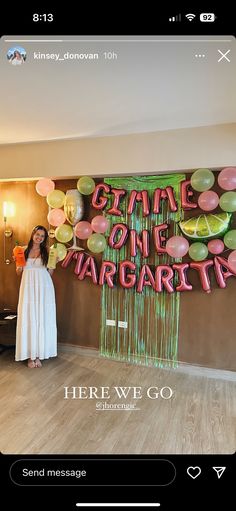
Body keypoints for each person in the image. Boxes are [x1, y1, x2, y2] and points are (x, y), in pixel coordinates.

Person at [15, 226, 57, 368]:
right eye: (37, 234)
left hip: (44, 288)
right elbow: (19, 272)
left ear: (44, 239)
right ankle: (29, 356)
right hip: (28, 287)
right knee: (29, 317)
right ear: (33, 234)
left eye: (42, 236)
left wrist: (53, 264)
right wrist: (18, 262)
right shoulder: (22, 250)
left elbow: (50, 273)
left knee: (41, 317)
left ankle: (39, 355)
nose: (39, 237)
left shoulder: (48, 251)